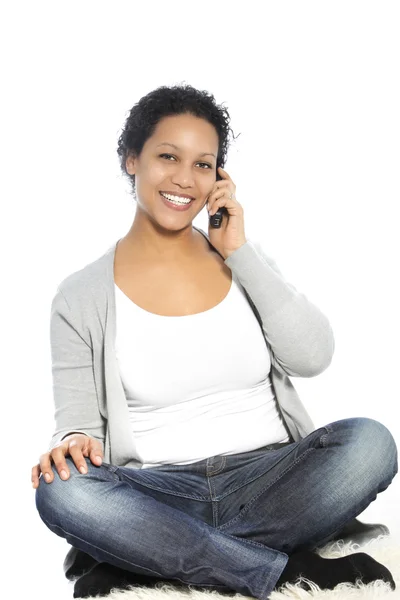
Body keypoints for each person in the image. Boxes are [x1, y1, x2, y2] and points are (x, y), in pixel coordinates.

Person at [32, 84, 398, 599]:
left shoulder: (244, 260)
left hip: (272, 480)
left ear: (219, 178)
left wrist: (240, 251)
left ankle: (149, 557)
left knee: (371, 443)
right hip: (160, 492)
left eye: (203, 165)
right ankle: (277, 569)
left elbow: (314, 357)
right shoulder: (80, 296)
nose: (185, 178)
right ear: (131, 159)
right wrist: (71, 445)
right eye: (167, 156)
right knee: (61, 493)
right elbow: (78, 426)